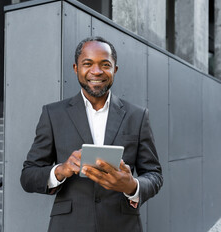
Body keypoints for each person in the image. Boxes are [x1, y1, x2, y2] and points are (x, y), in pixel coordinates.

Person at [20, 36, 163, 232]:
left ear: (115, 69)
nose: (96, 71)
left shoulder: (137, 116)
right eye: (88, 64)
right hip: (69, 226)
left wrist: (132, 186)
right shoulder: (53, 114)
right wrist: (61, 170)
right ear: (76, 68)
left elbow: (154, 174)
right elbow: (28, 176)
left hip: (122, 225)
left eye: (105, 64)